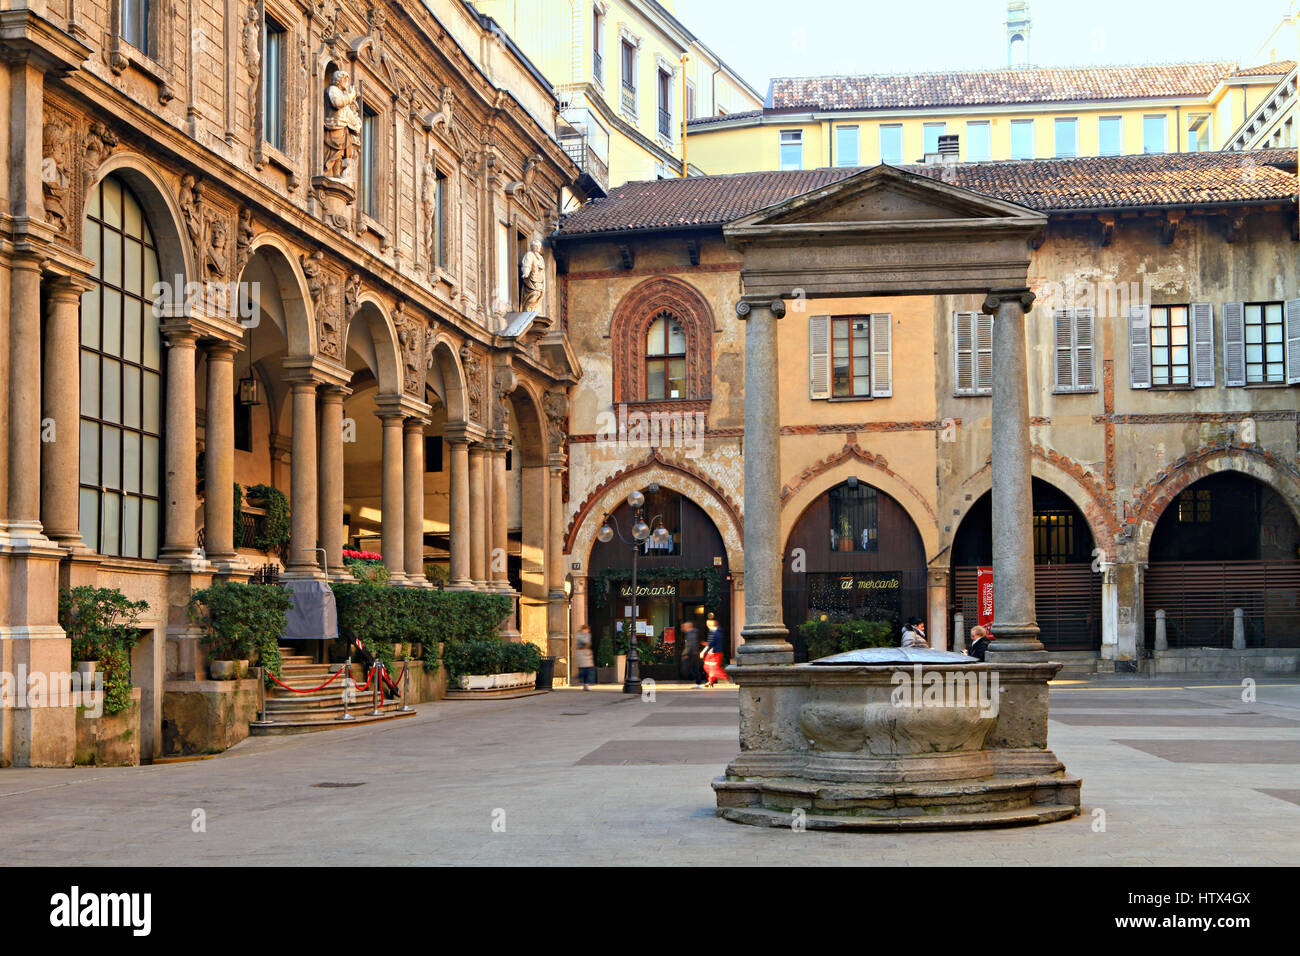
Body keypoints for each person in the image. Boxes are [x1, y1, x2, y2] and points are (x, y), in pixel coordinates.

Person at [702, 615, 730, 687]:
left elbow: (712, 643)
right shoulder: (718, 631)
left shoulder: (715, 632)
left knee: (711, 667)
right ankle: (710, 681)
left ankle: (727, 678)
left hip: (714, 653)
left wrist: (703, 651)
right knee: (711, 667)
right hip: (716, 652)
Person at [680, 621, 704, 688]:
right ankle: (698, 683)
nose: (682, 628)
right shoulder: (692, 633)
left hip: (692, 654)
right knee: (695, 668)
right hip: (694, 653)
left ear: (687, 627)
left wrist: (687, 653)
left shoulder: (691, 634)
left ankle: (698, 683)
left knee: (690, 668)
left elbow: (691, 645)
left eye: (684, 626)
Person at [574, 625, 595, 690]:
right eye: (586, 629)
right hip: (581, 654)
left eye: (587, 630)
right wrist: (587, 637)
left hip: (587, 653)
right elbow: (585, 642)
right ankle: (578, 677)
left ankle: (586, 685)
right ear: (583, 629)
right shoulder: (579, 635)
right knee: (583, 670)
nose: (587, 631)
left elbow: (588, 643)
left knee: (588, 670)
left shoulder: (587, 635)